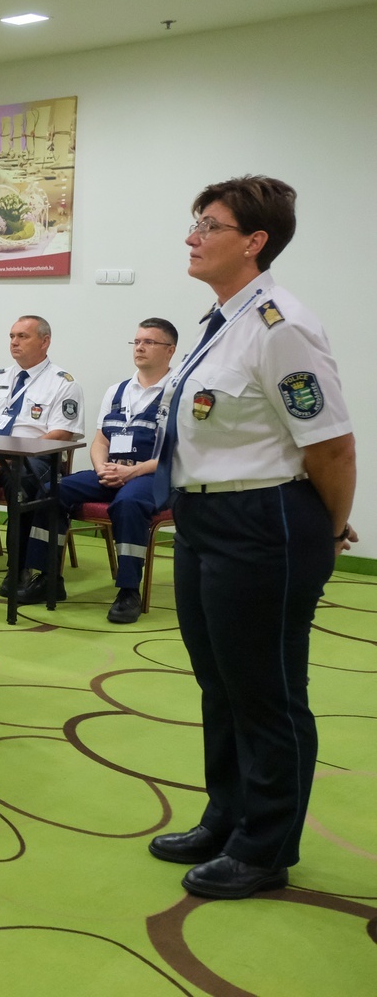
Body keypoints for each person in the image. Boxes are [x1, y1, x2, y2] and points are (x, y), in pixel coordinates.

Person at [145, 175, 355, 901]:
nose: (192, 236)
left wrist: (324, 533)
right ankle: (227, 817)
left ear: (254, 242)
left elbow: (332, 446)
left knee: (267, 692)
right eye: (195, 222)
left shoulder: (280, 325)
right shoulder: (221, 321)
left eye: (209, 225)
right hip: (205, 520)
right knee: (220, 683)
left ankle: (266, 847)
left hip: (263, 522)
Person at [17, 318, 178, 617]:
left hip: (154, 476)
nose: (140, 347)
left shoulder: (179, 393)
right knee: (52, 490)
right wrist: (102, 468)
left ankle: (128, 591)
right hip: (112, 471)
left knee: (128, 502)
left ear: (170, 350)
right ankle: (48, 577)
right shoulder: (117, 390)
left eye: (149, 342)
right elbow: (100, 439)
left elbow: (179, 452)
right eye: (137, 342)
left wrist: (133, 471)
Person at [0, 314, 85, 593]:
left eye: (23, 336)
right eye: (12, 336)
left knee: (21, 480)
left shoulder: (63, 383)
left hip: (34, 459)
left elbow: (60, 434)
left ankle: (18, 568)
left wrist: (9, 457)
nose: (14, 342)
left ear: (45, 341)